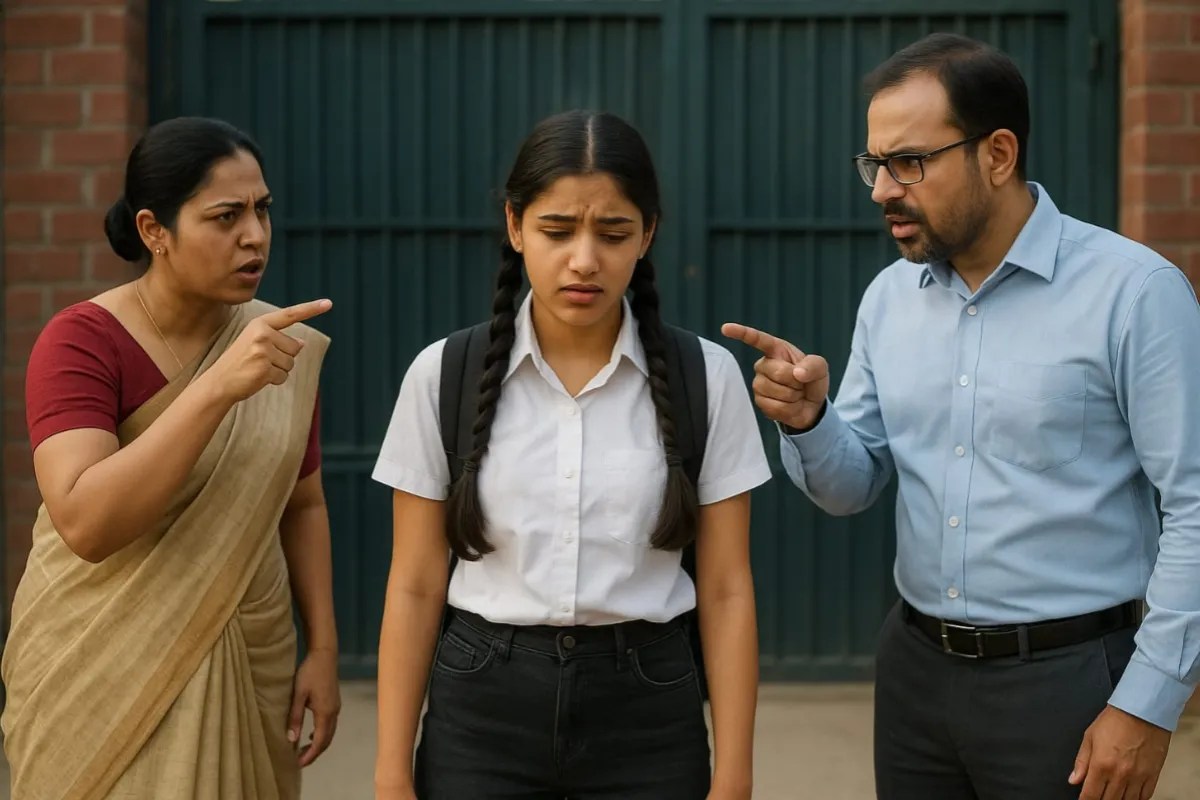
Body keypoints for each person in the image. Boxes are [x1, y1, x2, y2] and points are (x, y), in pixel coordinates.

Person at [722, 33, 1200, 800]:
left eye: (909, 162)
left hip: (1070, 683)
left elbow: (1196, 506)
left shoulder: (1135, 293)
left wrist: (1149, 702)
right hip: (915, 674)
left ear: (998, 154)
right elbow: (851, 486)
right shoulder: (889, 300)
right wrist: (810, 422)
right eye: (875, 163)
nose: (881, 190)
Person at [372, 109, 772, 800]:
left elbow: (728, 588)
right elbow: (413, 584)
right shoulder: (443, 375)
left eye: (613, 233)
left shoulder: (706, 377)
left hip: (650, 714)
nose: (584, 260)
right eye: (557, 231)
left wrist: (734, 776)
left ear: (647, 234)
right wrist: (390, 773)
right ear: (515, 225)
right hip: (480, 713)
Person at [1, 117, 342, 799]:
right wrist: (215, 389)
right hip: (100, 666)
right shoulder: (82, 342)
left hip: (250, 659)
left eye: (262, 210)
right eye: (225, 216)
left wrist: (325, 651)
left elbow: (302, 504)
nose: (255, 235)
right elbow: (87, 524)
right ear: (154, 230)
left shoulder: (277, 343)